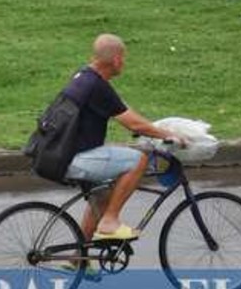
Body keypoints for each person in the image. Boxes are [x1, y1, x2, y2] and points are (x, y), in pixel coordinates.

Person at [60, 33, 182, 241]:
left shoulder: (84, 76)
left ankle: (77, 260)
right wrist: (171, 135)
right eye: (123, 58)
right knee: (138, 160)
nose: (123, 62)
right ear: (116, 59)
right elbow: (133, 123)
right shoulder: (96, 86)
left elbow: (124, 110)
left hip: (64, 153)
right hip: (75, 158)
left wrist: (151, 128)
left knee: (102, 196)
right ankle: (109, 222)